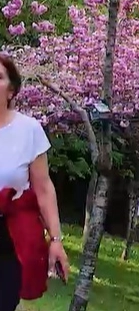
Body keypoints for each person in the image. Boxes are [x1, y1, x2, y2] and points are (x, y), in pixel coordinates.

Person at [0, 54, 68, 311]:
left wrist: (56, 239)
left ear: (11, 90)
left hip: (9, 237)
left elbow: (43, 188)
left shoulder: (28, 130)